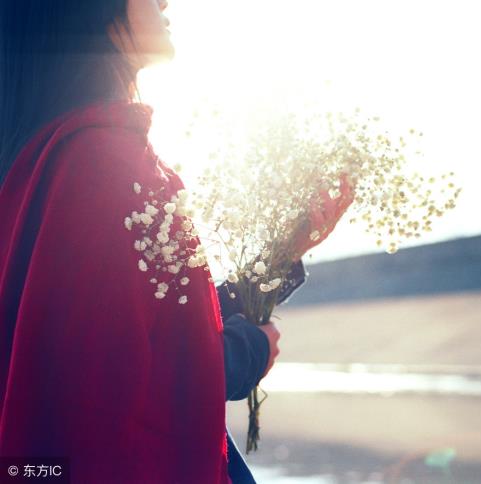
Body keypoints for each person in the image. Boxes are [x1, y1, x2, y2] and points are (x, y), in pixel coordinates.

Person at [0, 1, 353, 483]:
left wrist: (284, 252)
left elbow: (159, 327)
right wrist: (248, 351)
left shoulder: (46, 159)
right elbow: (108, 391)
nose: (164, 0)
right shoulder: (103, 162)